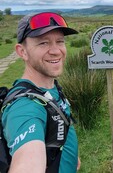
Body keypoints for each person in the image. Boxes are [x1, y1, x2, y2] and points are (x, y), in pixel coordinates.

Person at [1, 12, 81, 172]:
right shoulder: (24, 108)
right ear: (22, 51)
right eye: (43, 43)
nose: (56, 51)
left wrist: (70, 155)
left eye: (60, 41)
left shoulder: (51, 89)